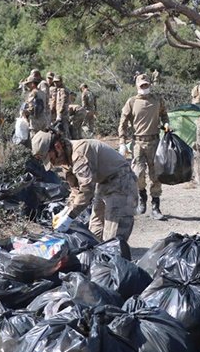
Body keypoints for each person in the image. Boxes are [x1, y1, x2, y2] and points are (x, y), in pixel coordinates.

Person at [31, 129, 139, 259]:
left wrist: (70, 216)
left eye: (51, 158)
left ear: (57, 147)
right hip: (103, 183)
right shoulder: (65, 158)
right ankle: (100, 263)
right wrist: (65, 211)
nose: (53, 163)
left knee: (113, 239)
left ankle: (115, 266)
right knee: (94, 232)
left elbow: (87, 189)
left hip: (121, 182)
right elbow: (76, 189)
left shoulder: (79, 153)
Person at [118, 73, 169, 220]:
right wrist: (122, 142)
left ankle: (156, 206)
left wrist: (166, 124)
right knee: (138, 174)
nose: (144, 87)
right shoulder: (132, 102)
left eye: (146, 85)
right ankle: (142, 197)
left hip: (154, 142)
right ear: (137, 86)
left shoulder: (157, 100)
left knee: (156, 175)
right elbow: (123, 122)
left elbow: (164, 114)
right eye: (142, 85)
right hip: (138, 144)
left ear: (150, 85)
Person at [19, 73, 50, 144]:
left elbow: (31, 108)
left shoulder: (33, 93)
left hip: (35, 120)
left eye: (29, 84)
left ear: (33, 84)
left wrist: (24, 113)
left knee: (34, 140)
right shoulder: (42, 93)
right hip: (44, 119)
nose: (28, 86)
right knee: (43, 140)